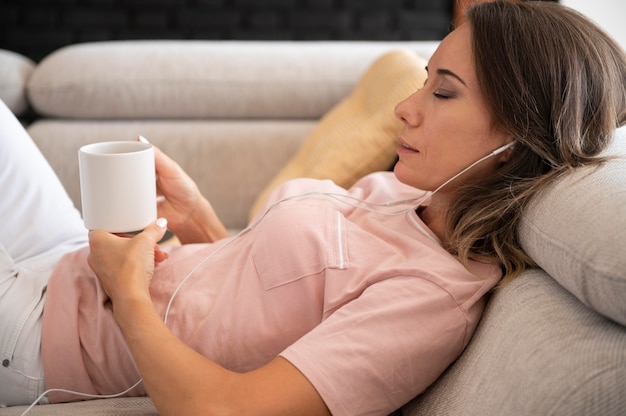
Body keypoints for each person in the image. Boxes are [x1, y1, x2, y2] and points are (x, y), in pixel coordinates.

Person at [1, 1, 625, 414]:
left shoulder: (427, 299)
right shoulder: (410, 197)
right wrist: (199, 220)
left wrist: (127, 291)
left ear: (517, 135)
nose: (406, 109)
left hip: (44, 335)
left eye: (442, 92)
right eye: (424, 79)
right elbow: (272, 298)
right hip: (64, 262)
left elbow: (225, 411)